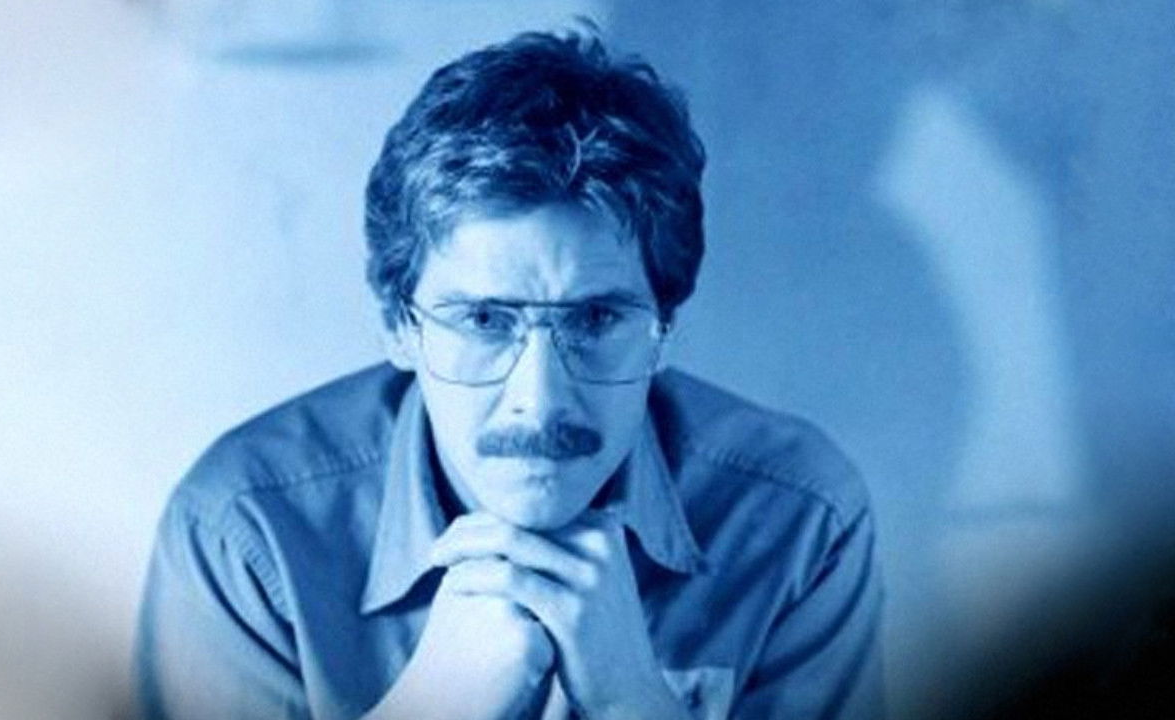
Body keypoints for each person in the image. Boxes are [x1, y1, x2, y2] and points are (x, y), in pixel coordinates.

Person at [134, 28, 883, 720]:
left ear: (665, 329)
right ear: (399, 326)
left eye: (597, 319)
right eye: (485, 321)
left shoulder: (799, 518)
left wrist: (633, 699)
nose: (540, 401)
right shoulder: (244, 532)